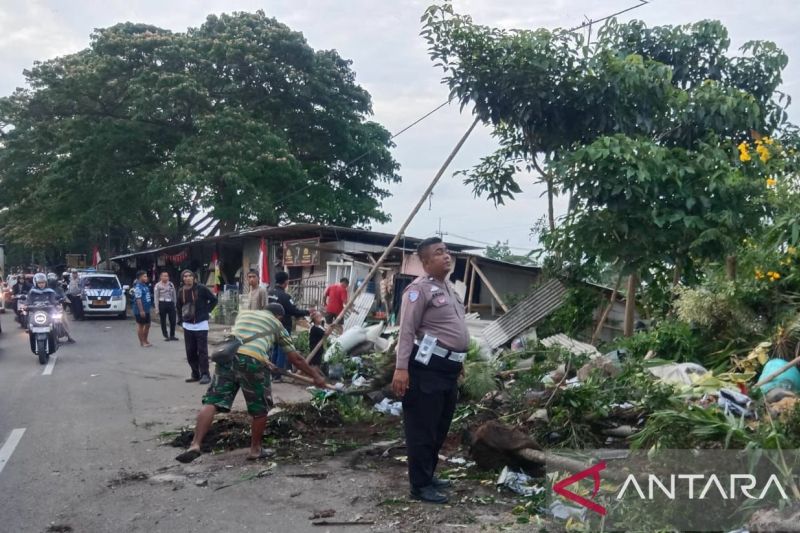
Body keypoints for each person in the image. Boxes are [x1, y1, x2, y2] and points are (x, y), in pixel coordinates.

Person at [175, 304, 327, 463]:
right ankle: (255, 450)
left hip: (228, 357)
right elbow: (295, 358)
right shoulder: (277, 325)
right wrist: (316, 376)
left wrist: (266, 360)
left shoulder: (245, 314)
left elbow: (248, 339)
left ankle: (195, 444)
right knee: (260, 409)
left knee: (212, 401)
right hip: (252, 362)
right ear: (279, 316)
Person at [392, 237, 469, 504]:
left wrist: (458, 363)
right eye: (439, 253)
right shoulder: (418, 290)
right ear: (425, 262)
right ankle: (419, 485)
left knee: (439, 427)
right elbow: (407, 331)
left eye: (447, 251)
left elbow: (452, 331)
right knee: (422, 429)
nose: (446, 256)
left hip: (447, 370)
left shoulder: (449, 289)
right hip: (425, 370)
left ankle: (429, 475)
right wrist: (401, 368)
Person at [177, 269, 218, 385]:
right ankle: (195, 373)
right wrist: (180, 319)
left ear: (194, 278)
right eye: (185, 276)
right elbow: (179, 306)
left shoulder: (202, 288)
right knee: (190, 351)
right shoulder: (181, 291)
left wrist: (206, 311)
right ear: (182, 279)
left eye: (190, 275)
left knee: (202, 351)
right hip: (188, 325)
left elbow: (214, 300)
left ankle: (205, 374)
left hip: (201, 325)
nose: (188, 278)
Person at [47, 272, 75, 343]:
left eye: (53, 280)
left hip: (58, 306)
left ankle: (69, 336)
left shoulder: (59, 288)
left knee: (64, 320)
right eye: (50, 280)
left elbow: (64, 295)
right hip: (48, 308)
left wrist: (65, 299)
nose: (52, 282)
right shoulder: (45, 289)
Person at [154, 271, 178, 341]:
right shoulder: (158, 285)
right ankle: (165, 335)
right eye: (164, 276)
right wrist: (157, 308)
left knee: (173, 320)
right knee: (163, 321)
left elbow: (174, 295)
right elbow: (156, 297)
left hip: (170, 303)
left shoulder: (171, 284)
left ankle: (172, 335)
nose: (166, 277)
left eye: (167, 276)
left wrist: (175, 305)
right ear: (161, 277)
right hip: (162, 303)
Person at [133, 271, 153, 347]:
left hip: (147, 309)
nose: (146, 278)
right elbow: (138, 299)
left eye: (146, 276)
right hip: (140, 310)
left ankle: (145, 339)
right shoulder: (138, 287)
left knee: (148, 325)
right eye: (144, 276)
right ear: (140, 277)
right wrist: (141, 310)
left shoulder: (145, 286)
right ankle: (142, 342)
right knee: (141, 325)